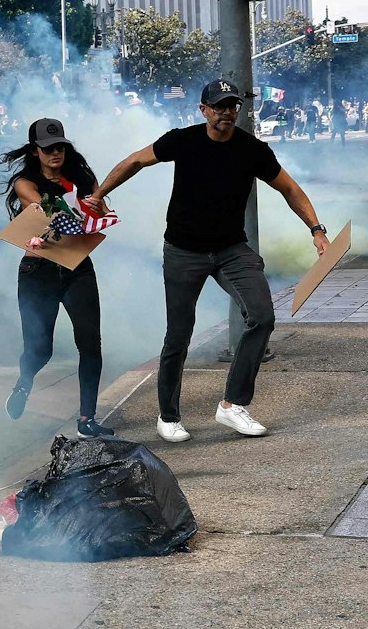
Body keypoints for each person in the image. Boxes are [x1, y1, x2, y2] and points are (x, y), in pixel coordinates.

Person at [81, 79, 329, 442]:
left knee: (262, 317)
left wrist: (316, 229)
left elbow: (290, 188)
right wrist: (99, 193)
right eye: (218, 106)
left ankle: (232, 405)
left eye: (232, 106)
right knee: (178, 335)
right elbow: (135, 160)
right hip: (183, 250)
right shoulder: (183, 140)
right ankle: (168, 416)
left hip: (232, 250)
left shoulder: (252, 150)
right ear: (203, 110)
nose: (226, 112)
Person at [0, 119, 112, 438]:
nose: (55, 152)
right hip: (39, 273)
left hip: (77, 269)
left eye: (59, 146)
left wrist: (98, 206)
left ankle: (87, 418)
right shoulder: (25, 182)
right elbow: (41, 209)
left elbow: (100, 211)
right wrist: (83, 207)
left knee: (90, 343)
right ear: (35, 151)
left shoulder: (82, 178)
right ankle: (24, 384)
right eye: (47, 148)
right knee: (39, 350)